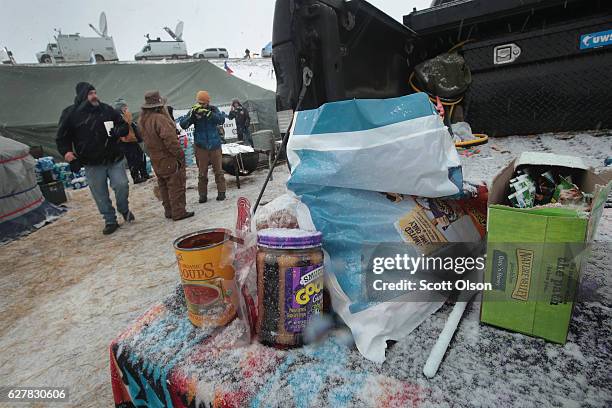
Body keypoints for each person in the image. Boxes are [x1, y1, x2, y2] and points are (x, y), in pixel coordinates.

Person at [56, 82, 134, 235]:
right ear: (82, 96)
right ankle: (110, 220)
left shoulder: (106, 109)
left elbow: (122, 125)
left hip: (114, 157)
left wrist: (119, 130)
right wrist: (66, 152)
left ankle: (124, 209)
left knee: (122, 185)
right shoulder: (71, 114)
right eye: (90, 93)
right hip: (91, 162)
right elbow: (62, 137)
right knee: (100, 193)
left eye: (95, 92)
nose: (94, 96)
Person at [139, 91, 194, 221]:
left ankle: (169, 211)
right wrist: (180, 155)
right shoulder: (160, 119)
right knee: (176, 185)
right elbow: (170, 140)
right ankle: (179, 212)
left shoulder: (143, 120)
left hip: (156, 159)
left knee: (163, 185)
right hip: (167, 157)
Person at [179, 90, 227, 203]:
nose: (201, 105)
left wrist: (209, 114)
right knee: (202, 173)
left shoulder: (213, 109)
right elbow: (183, 125)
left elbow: (221, 120)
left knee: (218, 171)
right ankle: (202, 195)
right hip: (201, 146)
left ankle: (222, 192)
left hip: (215, 144)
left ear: (208, 102)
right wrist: (192, 116)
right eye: (200, 103)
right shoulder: (194, 111)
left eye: (204, 103)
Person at [113, 99, 150, 184]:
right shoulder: (118, 117)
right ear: (121, 108)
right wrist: (127, 118)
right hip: (125, 141)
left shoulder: (125, 115)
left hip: (132, 139)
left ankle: (144, 174)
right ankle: (136, 177)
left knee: (141, 155)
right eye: (124, 106)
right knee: (132, 159)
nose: (127, 108)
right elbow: (124, 127)